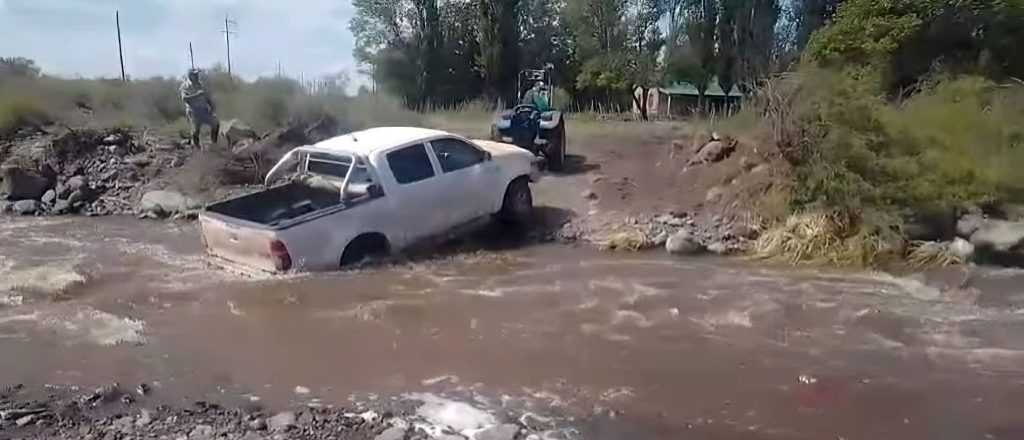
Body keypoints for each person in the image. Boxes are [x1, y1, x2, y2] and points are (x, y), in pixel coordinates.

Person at [179, 69, 220, 147]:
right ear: (190, 76)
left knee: (216, 123)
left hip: (204, 111)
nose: (197, 76)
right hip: (193, 111)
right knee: (195, 130)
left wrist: (212, 107)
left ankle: (214, 144)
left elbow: (207, 98)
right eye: (195, 75)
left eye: (197, 74)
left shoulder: (201, 85)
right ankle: (197, 148)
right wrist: (197, 95)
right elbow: (185, 99)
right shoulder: (185, 86)